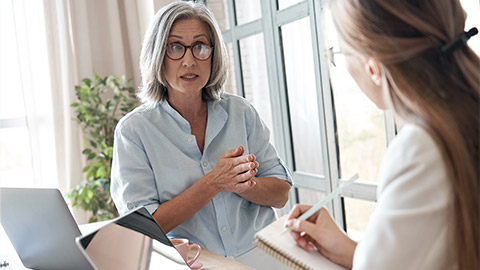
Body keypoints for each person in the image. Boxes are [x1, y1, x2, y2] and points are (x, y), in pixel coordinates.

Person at [285, 0, 479, 269]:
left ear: (373, 67)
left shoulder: (420, 149)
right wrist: (350, 249)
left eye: (338, 54)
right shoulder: (463, 121)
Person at [110, 0, 293, 264]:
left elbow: (280, 193)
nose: (189, 60)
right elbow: (143, 228)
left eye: (200, 47)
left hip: (264, 256)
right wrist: (214, 182)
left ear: (213, 54)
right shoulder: (133, 132)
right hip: (193, 263)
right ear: (157, 56)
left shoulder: (240, 112)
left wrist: (241, 183)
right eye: (175, 47)